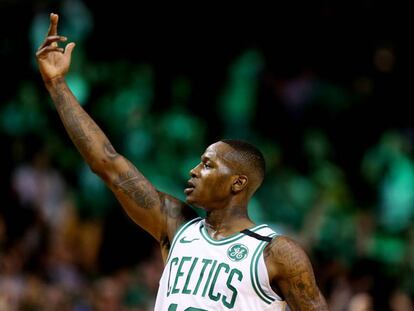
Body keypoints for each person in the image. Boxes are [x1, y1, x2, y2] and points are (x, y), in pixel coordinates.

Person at [36, 13, 328, 311]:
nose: (194, 170)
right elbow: (106, 163)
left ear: (237, 182)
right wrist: (57, 84)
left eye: (208, 164)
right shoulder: (177, 226)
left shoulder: (276, 253)